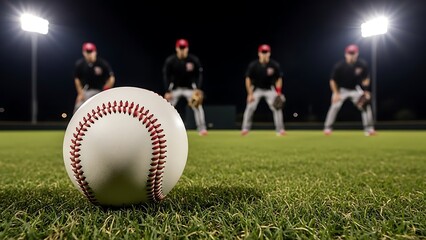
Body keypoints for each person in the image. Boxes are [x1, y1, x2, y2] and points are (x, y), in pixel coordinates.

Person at [323, 44, 376, 136]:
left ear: (357, 54)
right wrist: (335, 93)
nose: (351, 55)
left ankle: (369, 129)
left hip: (355, 89)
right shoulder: (340, 66)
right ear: (346, 54)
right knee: (334, 106)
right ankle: (327, 128)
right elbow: (332, 81)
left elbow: (366, 78)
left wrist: (365, 90)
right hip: (341, 90)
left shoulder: (362, 64)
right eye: (349, 53)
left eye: (353, 53)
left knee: (365, 105)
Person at [162, 39, 208, 136]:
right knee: (166, 107)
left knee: (198, 106)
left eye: (184, 48)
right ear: (176, 49)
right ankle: (163, 128)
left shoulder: (193, 60)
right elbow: (166, 76)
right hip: (175, 89)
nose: (182, 50)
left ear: (187, 49)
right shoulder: (171, 61)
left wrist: (198, 88)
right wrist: (167, 91)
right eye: (180, 48)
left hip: (190, 89)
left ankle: (202, 129)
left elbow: (199, 75)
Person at [241, 44, 286, 136]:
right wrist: (250, 94)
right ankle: (245, 129)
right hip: (256, 89)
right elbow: (248, 79)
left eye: (266, 52)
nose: (264, 54)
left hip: (270, 89)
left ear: (269, 53)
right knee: (250, 107)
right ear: (259, 53)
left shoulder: (274, 65)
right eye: (263, 52)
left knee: (277, 107)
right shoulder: (254, 65)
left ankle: (280, 130)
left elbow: (279, 79)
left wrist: (278, 93)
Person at [73, 42, 115, 113]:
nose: (89, 54)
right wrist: (80, 93)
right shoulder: (80, 64)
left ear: (95, 52)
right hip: (86, 91)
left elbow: (111, 77)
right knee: (78, 107)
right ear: (84, 53)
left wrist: (106, 89)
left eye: (91, 51)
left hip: (100, 91)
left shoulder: (102, 63)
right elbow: (77, 79)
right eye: (87, 52)